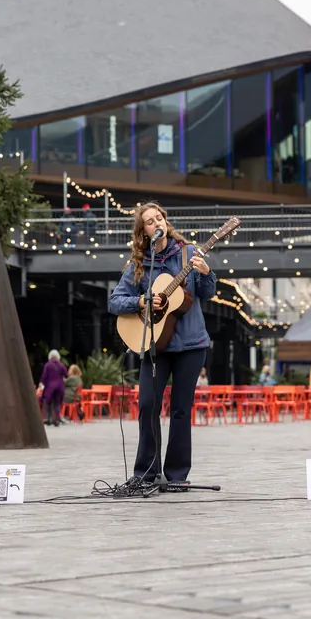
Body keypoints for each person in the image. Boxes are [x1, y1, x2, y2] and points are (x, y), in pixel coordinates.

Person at [108, 201, 217, 485]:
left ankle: (177, 475)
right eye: (150, 221)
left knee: (181, 410)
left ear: (166, 222)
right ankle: (146, 473)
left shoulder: (188, 254)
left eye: (159, 218)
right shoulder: (139, 265)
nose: (157, 223)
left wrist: (207, 273)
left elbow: (207, 293)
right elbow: (114, 302)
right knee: (147, 405)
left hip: (191, 345)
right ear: (143, 232)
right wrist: (141, 301)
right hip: (154, 346)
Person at [37, 350, 68, 426]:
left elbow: (44, 376)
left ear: (49, 357)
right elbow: (66, 375)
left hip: (50, 387)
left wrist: (41, 384)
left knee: (47, 402)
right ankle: (56, 419)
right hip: (59, 387)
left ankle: (48, 418)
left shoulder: (47, 365)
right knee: (57, 403)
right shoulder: (61, 365)